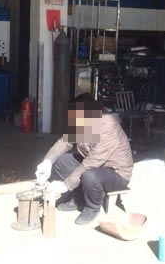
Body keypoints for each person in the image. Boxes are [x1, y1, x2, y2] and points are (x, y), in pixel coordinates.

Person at [35, 93, 133, 225]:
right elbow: (64, 142)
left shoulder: (107, 126)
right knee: (61, 161)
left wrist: (66, 184)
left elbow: (92, 162)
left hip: (116, 173)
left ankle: (93, 207)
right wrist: (47, 162)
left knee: (90, 175)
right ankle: (78, 198)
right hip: (96, 166)